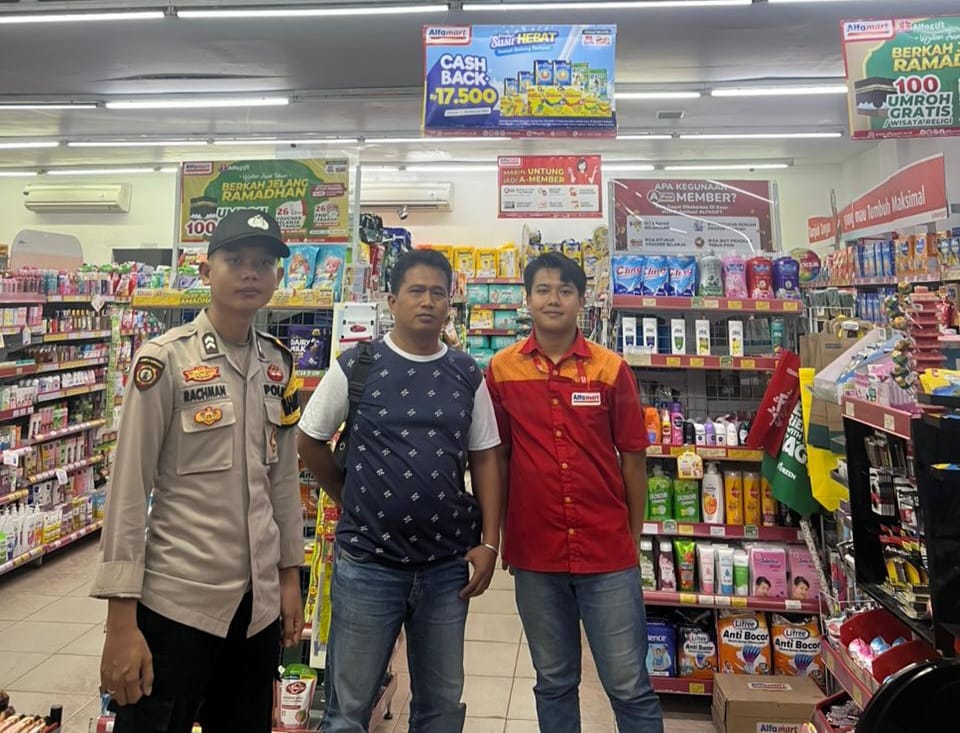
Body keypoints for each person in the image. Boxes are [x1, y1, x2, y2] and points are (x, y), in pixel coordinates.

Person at [91, 209, 305, 733]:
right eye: (236, 260)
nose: (250, 273)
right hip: (176, 605)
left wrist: (289, 577)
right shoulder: (164, 361)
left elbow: (282, 482)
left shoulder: (278, 366)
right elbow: (128, 489)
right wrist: (121, 621)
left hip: (256, 612)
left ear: (277, 276)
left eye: (263, 263)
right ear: (206, 271)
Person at [297, 249, 503, 733]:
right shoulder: (358, 366)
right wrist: (349, 496)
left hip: (445, 567)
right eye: (416, 291)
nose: (427, 302)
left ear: (449, 302)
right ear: (392, 301)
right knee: (348, 710)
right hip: (368, 565)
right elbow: (309, 439)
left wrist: (490, 542)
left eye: (438, 293)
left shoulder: (466, 373)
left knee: (441, 707)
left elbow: (486, 456)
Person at [485, 253, 664, 733]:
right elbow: (497, 458)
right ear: (527, 299)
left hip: (606, 552)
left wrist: (631, 537)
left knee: (629, 684)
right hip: (535, 552)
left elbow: (633, 456)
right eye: (543, 290)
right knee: (553, 681)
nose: (553, 300)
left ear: (581, 300)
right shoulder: (501, 371)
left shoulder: (611, 369)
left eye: (565, 291)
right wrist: (498, 536)